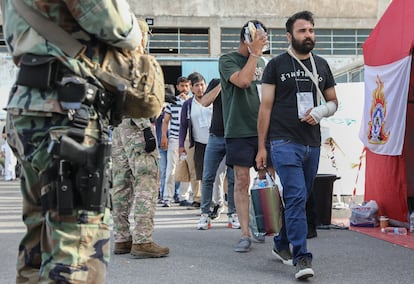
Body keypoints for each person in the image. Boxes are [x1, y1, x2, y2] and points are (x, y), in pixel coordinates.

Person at [1, 1, 142, 282]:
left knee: (39, 241)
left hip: (30, 106)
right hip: (67, 112)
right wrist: (137, 27)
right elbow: (119, 26)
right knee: (76, 249)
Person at [256, 11, 338, 280]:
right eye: (303, 31)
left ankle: (281, 243)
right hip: (283, 141)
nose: (309, 35)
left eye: (312, 30)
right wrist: (261, 147)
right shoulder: (276, 65)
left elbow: (334, 102)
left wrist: (321, 112)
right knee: (295, 196)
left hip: (311, 144)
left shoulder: (322, 65)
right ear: (289, 36)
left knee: (300, 199)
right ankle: (302, 257)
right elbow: (265, 108)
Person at [219, 20, 273, 253]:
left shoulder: (265, 62)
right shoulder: (227, 60)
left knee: (266, 179)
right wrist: (254, 54)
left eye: (264, 38)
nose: (263, 42)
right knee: (241, 180)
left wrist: (258, 55)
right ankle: (245, 232)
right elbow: (243, 81)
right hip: (239, 130)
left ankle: (267, 224)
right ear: (247, 38)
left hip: (264, 129)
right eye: (257, 37)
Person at [111, 118, 169, 258]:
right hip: (137, 128)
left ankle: (122, 238)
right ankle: (142, 241)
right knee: (146, 184)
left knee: (121, 185)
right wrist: (146, 128)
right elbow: (136, 98)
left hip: (119, 128)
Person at [196, 78, 240, 230]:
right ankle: (205, 214)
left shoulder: (241, 82)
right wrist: (222, 84)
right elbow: (205, 102)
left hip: (235, 136)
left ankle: (233, 213)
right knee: (208, 176)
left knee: (234, 178)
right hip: (215, 136)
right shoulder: (216, 82)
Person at [178, 72, 210, 208]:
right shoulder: (188, 104)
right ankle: (198, 198)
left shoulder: (213, 100)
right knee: (196, 170)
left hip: (214, 141)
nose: (200, 88)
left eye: (202, 85)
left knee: (216, 171)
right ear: (191, 88)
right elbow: (183, 125)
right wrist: (181, 145)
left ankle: (218, 198)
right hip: (196, 142)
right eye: (196, 85)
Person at [161, 76, 191, 207]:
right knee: (171, 169)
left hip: (188, 140)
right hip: (174, 139)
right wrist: (164, 136)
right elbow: (165, 121)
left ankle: (183, 196)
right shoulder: (172, 103)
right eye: (182, 86)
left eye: (186, 86)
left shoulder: (192, 102)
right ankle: (167, 197)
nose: (184, 89)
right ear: (178, 87)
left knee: (186, 169)